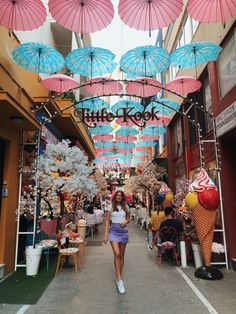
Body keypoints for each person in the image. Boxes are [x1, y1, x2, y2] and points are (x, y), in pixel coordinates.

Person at [103, 190, 130, 294]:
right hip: (114, 231)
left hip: (123, 231)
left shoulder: (125, 206)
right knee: (117, 254)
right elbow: (106, 221)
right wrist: (105, 234)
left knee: (121, 256)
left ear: (122, 197)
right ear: (115, 197)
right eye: (117, 195)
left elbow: (129, 218)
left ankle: (118, 276)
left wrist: (126, 222)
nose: (119, 197)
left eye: (120, 196)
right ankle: (119, 280)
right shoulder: (110, 206)